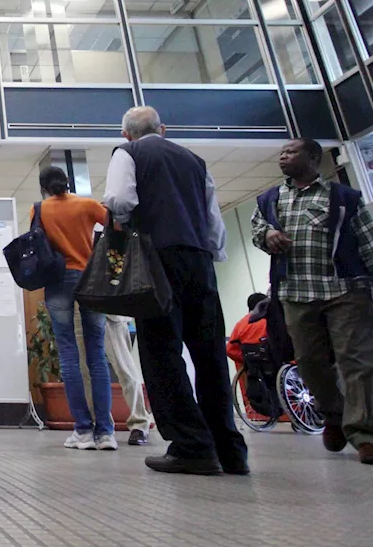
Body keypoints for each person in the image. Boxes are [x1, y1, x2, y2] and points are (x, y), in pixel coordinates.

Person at [103, 106, 247, 476]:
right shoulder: (195, 161)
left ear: (125, 134)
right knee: (209, 353)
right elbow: (213, 219)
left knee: (162, 352)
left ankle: (191, 445)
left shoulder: (128, 154)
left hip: (156, 260)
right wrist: (209, 254)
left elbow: (121, 201)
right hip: (199, 261)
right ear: (162, 129)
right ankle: (230, 448)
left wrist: (122, 227)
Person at [251, 137, 373, 465]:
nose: (283, 156)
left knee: (358, 361)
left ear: (313, 158)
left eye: (291, 152)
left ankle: (366, 435)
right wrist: (267, 236)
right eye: (281, 153)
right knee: (308, 362)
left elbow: (371, 243)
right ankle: (333, 415)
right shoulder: (270, 198)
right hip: (295, 292)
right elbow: (257, 229)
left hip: (345, 290)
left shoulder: (343, 197)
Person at [31, 166, 116, 451]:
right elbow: (117, 225)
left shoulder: (39, 210)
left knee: (68, 353)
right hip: (91, 278)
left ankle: (82, 430)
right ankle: (105, 433)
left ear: (43, 186)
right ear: (67, 183)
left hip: (57, 282)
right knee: (97, 355)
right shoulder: (88, 205)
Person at [103, 314, 153, 446]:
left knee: (125, 370)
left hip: (108, 311)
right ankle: (101, 425)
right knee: (88, 374)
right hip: (81, 310)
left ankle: (140, 423)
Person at [227, 292, 275, 422]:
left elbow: (230, 349)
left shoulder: (241, 324)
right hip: (275, 361)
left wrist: (247, 361)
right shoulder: (270, 318)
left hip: (254, 365)